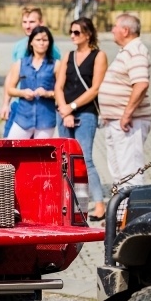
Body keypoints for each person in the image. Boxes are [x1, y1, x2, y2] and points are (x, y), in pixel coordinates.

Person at [55, 17, 108, 221]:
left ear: (88, 34)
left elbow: (95, 88)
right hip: (64, 113)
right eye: (71, 32)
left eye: (76, 32)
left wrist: (73, 107)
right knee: (66, 159)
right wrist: (64, 110)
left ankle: (98, 205)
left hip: (85, 112)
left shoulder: (98, 56)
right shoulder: (68, 55)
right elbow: (59, 86)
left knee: (85, 159)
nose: (72, 36)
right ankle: (73, 204)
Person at [98, 13, 151, 189]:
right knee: (119, 173)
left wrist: (127, 114)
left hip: (129, 123)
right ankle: (121, 214)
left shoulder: (136, 51)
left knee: (130, 173)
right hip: (116, 121)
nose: (112, 30)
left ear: (126, 30)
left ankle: (131, 213)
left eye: (115, 26)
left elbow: (141, 84)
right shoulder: (127, 51)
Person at [1, 7, 61, 136]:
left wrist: (50, 95)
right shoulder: (18, 46)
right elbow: (11, 76)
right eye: (25, 22)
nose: (28, 26)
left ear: (41, 22)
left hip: (42, 109)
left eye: (32, 22)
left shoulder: (51, 49)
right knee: (8, 144)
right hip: (18, 105)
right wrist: (5, 103)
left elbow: (59, 81)